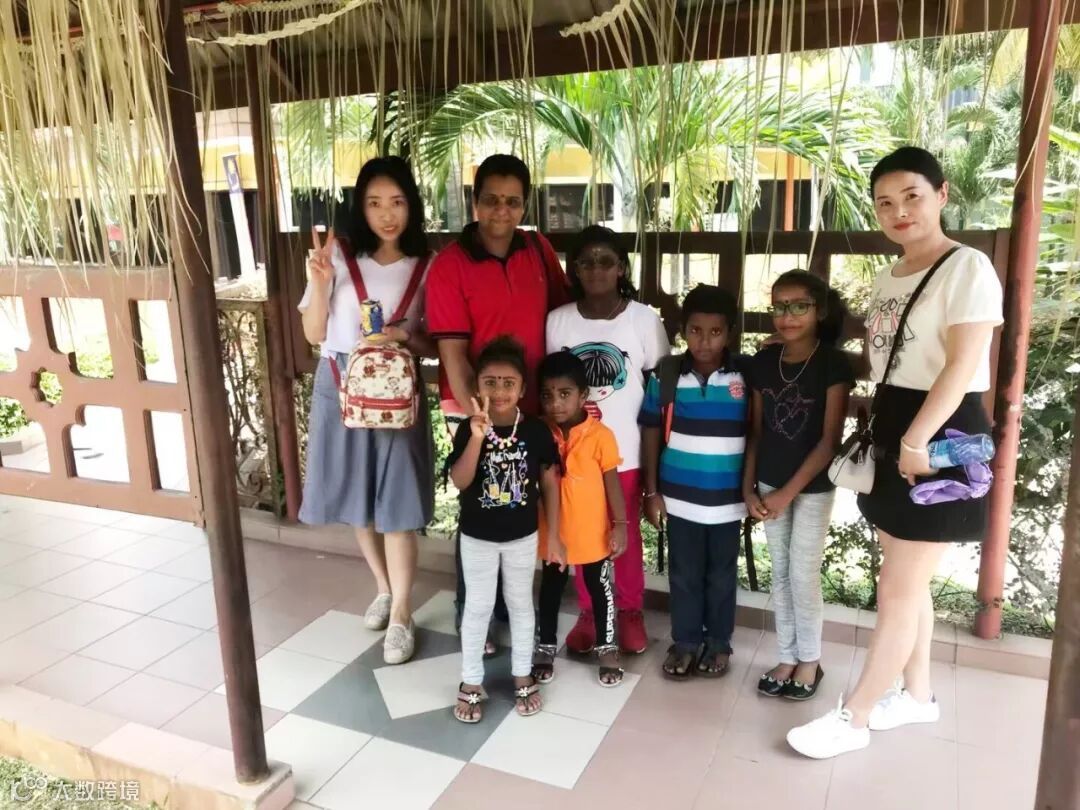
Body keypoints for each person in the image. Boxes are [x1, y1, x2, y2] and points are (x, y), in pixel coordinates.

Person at [787, 146, 1003, 758]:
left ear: (942, 194)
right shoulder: (890, 274)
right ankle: (916, 695)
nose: (899, 211)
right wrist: (894, 432)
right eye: (885, 202)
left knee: (899, 586)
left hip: (940, 431)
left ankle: (853, 717)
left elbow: (962, 366)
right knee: (906, 577)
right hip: (895, 423)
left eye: (912, 196)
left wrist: (916, 441)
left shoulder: (968, 267)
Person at [426, 154, 571, 642]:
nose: (501, 211)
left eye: (512, 201)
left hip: (528, 406)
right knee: (480, 507)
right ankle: (474, 611)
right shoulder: (450, 265)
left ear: (525, 204)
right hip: (477, 410)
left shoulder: (538, 250)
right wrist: (484, 419)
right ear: (475, 201)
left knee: (520, 502)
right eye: (491, 200)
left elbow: (561, 315)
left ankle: (512, 605)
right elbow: (453, 355)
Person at [298, 155, 436, 665]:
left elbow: (433, 343)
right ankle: (382, 587)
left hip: (397, 394)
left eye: (397, 202)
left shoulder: (427, 265)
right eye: (375, 203)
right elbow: (314, 333)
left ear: (411, 206)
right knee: (358, 498)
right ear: (360, 207)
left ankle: (401, 613)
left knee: (397, 505)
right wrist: (319, 280)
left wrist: (403, 335)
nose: (386, 214)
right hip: (341, 386)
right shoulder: (336, 256)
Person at [546, 225, 670, 656]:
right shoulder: (558, 320)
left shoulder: (644, 320)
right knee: (583, 535)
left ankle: (630, 612)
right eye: (586, 262)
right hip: (574, 454)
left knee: (624, 535)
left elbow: (660, 391)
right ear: (574, 270)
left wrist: (657, 463)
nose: (596, 269)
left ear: (621, 267)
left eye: (606, 261)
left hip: (627, 453)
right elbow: (553, 387)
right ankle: (589, 612)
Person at [743, 271, 854, 701]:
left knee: (803, 574)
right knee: (781, 573)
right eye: (779, 306)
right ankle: (787, 656)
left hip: (812, 488)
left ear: (819, 310)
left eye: (799, 306)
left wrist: (786, 493)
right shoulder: (763, 363)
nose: (787, 316)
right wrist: (749, 489)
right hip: (768, 483)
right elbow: (755, 432)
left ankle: (810, 660)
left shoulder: (833, 364)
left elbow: (830, 441)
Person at [447, 337, 560, 723]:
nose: (499, 391)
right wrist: (478, 438)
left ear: (523, 389)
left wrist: (555, 535)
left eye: (508, 383)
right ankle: (470, 681)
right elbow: (460, 481)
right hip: (477, 537)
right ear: (477, 387)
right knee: (477, 607)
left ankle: (522, 674)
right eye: (490, 382)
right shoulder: (468, 430)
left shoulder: (536, 431)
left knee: (521, 604)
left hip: (522, 537)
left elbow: (549, 484)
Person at [639, 285, 748, 680]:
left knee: (721, 575)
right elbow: (651, 430)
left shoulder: (745, 374)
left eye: (715, 332)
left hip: (728, 501)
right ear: (683, 330)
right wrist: (652, 491)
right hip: (679, 499)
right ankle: (685, 641)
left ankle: (718, 642)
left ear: (730, 333)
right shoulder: (667, 374)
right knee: (683, 574)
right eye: (696, 330)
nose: (704, 341)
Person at [533, 351, 628, 688]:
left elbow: (612, 483)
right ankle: (545, 646)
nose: (555, 403)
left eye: (564, 394)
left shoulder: (601, 435)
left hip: (593, 535)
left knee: (600, 590)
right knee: (550, 591)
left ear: (583, 394)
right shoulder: (539, 431)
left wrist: (620, 525)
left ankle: (607, 648)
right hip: (552, 533)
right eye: (547, 395)